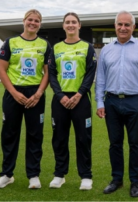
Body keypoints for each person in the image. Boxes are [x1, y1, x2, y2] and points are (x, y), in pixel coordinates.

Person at [95, 10, 138, 197]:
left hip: (134, 102)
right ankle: (117, 179)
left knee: (135, 143)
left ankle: (135, 182)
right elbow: (101, 79)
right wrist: (100, 102)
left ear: (133, 27)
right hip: (111, 101)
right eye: (120, 24)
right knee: (115, 143)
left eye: (127, 24)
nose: (123, 28)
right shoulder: (106, 50)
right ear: (115, 26)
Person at [0, 9, 51, 189]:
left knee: (35, 134)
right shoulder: (10, 42)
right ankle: (7, 174)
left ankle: (33, 175)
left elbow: (48, 72)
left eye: (36, 21)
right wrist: (13, 92)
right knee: (9, 134)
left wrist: (39, 93)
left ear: (40, 24)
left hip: (35, 94)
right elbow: (2, 70)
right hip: (13, 93)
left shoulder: (45, 45)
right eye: (30, 20)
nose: (33, 23)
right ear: (24, 21)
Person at [48, 12, 97, 190]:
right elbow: (52, 74)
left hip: (81, 99)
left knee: (83, 138)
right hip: (60, 100)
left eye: (73, 22)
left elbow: (90, 73)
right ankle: (59, 175)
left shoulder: (87, 47)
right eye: (67, 22)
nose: (70, 25)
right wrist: (60, 96)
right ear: (63, 26)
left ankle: (86, 176)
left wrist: (78, 95)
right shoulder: (56, 48)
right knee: (59, 138)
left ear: (79, 25)